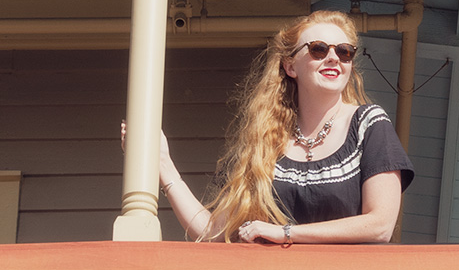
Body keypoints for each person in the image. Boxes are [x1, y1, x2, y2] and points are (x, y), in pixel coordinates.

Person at [123, 12, 413, 243]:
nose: (334, 57)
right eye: (318, 49)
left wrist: (286, 234)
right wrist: (163, 165)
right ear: (290, 66)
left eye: (345, 51)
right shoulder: (264, 143)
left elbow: (380, 225)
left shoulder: (368, 124)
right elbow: (211, 230)